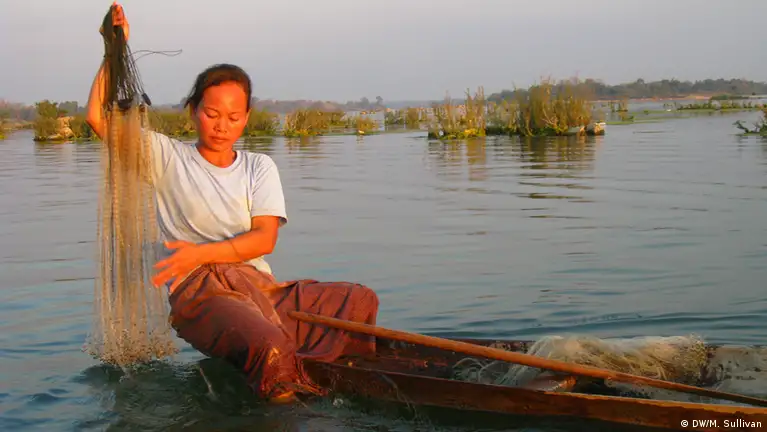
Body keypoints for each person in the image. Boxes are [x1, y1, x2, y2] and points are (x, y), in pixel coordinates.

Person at [85, 3, 379, 403]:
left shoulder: (259, 166)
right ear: (193, 111)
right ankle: (288, 408)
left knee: (359, 300)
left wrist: (198, 253)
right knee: (270, 345)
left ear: (246, 118)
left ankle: (328, 373)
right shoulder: (166, 157)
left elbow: (263, 240)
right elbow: (97, 119)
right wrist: (113, 49)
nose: (222, 126)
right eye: (212, 113)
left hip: (260, 289)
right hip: (202, 296)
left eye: (233, 117)